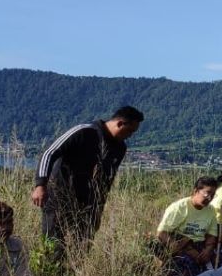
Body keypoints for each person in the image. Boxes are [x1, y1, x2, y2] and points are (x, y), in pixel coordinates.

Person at [32, 105, 144, 253]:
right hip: (59, 201)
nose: (131, 135)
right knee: (52, 250)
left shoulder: (120, 148)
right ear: (120, 123)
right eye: (130, 131)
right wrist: (40, 185)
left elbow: (106, 182)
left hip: (88, 209)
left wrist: (97, 212)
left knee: (81, 253)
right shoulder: (84, 132)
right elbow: (50, 153)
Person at [156, 176, 221, 276]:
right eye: (207, 193)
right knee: (189, 267)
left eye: (212, 195)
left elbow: (212, 234)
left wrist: (208, 250)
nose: (209, 198)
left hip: (201, 246)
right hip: (182, 246)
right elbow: (162, 233)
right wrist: (183, 249)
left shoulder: (211, 210)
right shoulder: (179, 207)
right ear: (196, 191)